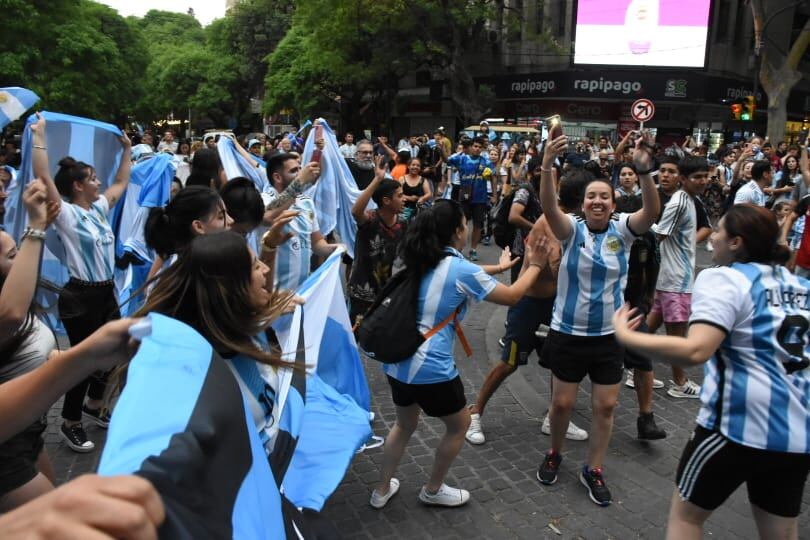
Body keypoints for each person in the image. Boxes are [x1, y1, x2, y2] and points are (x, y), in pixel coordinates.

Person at [613, 204, 810, 540]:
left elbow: (695, 349)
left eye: (719, 231)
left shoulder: (724, 278)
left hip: (736, 427)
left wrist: (629, 337)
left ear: (736, 242)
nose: (713, 238)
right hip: (795, 435)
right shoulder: (799, 288)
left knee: (686, 518)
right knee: (781, 531)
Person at [370, 199, 551, 509]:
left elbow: (465, 272)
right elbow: (511, 296)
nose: (467, 229)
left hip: (398, 360)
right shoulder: (457, 268)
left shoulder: (417, 255)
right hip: (431, 368)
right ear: (457, 231)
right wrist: (534, 265)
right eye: (465, 224)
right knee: (459, 425)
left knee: (403, 425)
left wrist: (500, 267)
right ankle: (433, 488)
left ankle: (381, 489)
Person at [536, 132, 660, 507]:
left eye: (604, 196)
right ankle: (555, 452)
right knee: (561, 405)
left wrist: (644, 171)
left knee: (605, 406)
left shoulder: (623, 229)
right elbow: (548, 207)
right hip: (568, 334)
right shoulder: (571, 230)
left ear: (613, 201)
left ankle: (593, 469)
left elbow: (651, 213)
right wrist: (546, 166)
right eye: (591, 196)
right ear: (584, 202)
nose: (598, 201)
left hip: (608, 336)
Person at [31, 113, 132, 453]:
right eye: (92, 178)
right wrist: (40, 135)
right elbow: (43, 175)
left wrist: (127, 152)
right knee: (83, 361)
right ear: (77, 186)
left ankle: (94, 405)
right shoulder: (67, 213)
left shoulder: (100, 210)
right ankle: (70, 421)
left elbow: (120, 183)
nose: (99, 182)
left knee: (118, 353)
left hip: (105, 294)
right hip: (80, 298)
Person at [466, 171, 589, 446]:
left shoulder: (578, 225)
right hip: (529, 305)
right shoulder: (549, 223)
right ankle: (475, 412)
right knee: (509, 362)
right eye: (590, 197)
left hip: (556, 306)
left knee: (561, 364)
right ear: (580, 200)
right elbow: (551, 266)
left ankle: (554, 417)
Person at [0, 180, 59, 510]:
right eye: (13, 255)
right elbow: (9, 315)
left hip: (27, 436)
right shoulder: (9, 310)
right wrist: (35, 229)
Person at [647, 156, 711, 399]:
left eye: (705, 176)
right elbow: (658, 235)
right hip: (675, 280)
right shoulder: (680, 203)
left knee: (650, 325)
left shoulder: (690, 200)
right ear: (683, 180)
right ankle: (680, 383)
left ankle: (631, 362)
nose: (703, 181)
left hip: (674, 278)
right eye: (697, 177)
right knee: (677, 336)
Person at [265, 153, 339, 291]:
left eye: (300, 169)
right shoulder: (264, 199)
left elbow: (316, 242)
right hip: (273, 296)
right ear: (277, 177)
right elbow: (268, 216)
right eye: (294, 171)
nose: (301, 173)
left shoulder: (306, 202)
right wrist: (300, 181)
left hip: (301, 294)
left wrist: (335, 249)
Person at [348, 156, 406, 327]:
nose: (404, 199)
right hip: (362, 293)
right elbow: (356, 211)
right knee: (357, 336)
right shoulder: (371, 221)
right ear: (386, 201)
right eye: (400, 196)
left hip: (389, 293)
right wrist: (377, 179)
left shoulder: (404, 223)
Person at [439, 136, 496, 261]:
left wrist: (494, 196)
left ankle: (473, 249)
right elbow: (446, 160)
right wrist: (442, 149)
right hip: (464, 198)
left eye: (479, 147)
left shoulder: (486, 162)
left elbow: (493, 177)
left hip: (480, 198)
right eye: (475, 146)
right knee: (461, 223)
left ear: (482, 149)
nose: (477, 149)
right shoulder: (461, 159)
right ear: (471, 147)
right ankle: (457, 248)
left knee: (477, 224)